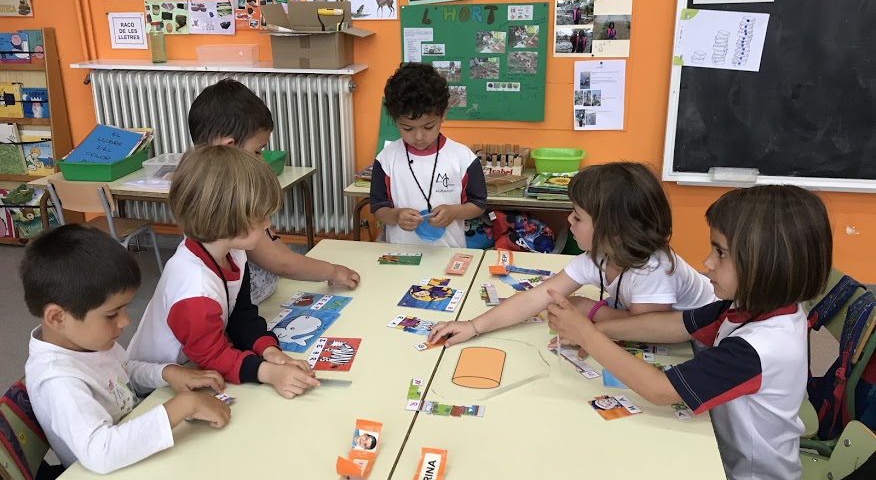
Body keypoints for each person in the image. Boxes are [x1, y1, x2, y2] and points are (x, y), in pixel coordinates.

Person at [546, 185, 832, 480]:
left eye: (720, 253)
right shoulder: (752, 306)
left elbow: (659, 390)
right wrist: (597, 329)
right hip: (731, 466)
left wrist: (589, 336)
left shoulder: (759, 348)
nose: (707, 263)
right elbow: (677, 325)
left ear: (768, 264)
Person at [427, 163, 715, 347]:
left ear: (613, 230)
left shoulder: (653, 268)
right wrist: (474, 326)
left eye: (578, 217)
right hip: (661, 326)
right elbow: (536, 297)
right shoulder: (598, 256)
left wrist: (589, 310)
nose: (568, 221)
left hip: (705, 337)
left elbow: (643, 328)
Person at [23, 225, 231, 475]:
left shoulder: (84, 341)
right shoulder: (58, 381)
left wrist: (166, 373)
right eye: (112, 314)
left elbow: (123, 371)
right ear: (57, 317)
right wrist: (183, 406)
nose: (125, 321)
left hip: (135, 452)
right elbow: (100, 452)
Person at [128, 146, 321, 400]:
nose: (268, 223)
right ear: (228, 221)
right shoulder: (194, 287)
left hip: (196, 368)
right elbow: (212, 356)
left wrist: (269, 350)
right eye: (261, 217)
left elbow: (242, 316)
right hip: (155, 389)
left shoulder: (233, 252)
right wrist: (269, 373)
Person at [187, 78, 359, 305]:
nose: (262, 161)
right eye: (257, 151)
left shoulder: (224, 187)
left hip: (257, 304)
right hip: (249, 309)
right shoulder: (228, 200)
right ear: (229, 146)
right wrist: (333, 271)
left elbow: (271, 241)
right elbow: (280, 263)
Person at [370, 63, 487, 247]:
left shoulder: (463, 158)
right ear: (395, 120)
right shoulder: (386, 159)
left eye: (428, 127)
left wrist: (454, 212)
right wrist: (396, 215)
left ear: (443, 114)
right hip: (401, 254)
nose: (419, 137)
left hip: (449, 254)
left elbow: (478, 205)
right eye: (407, 128)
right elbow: (378, 209)